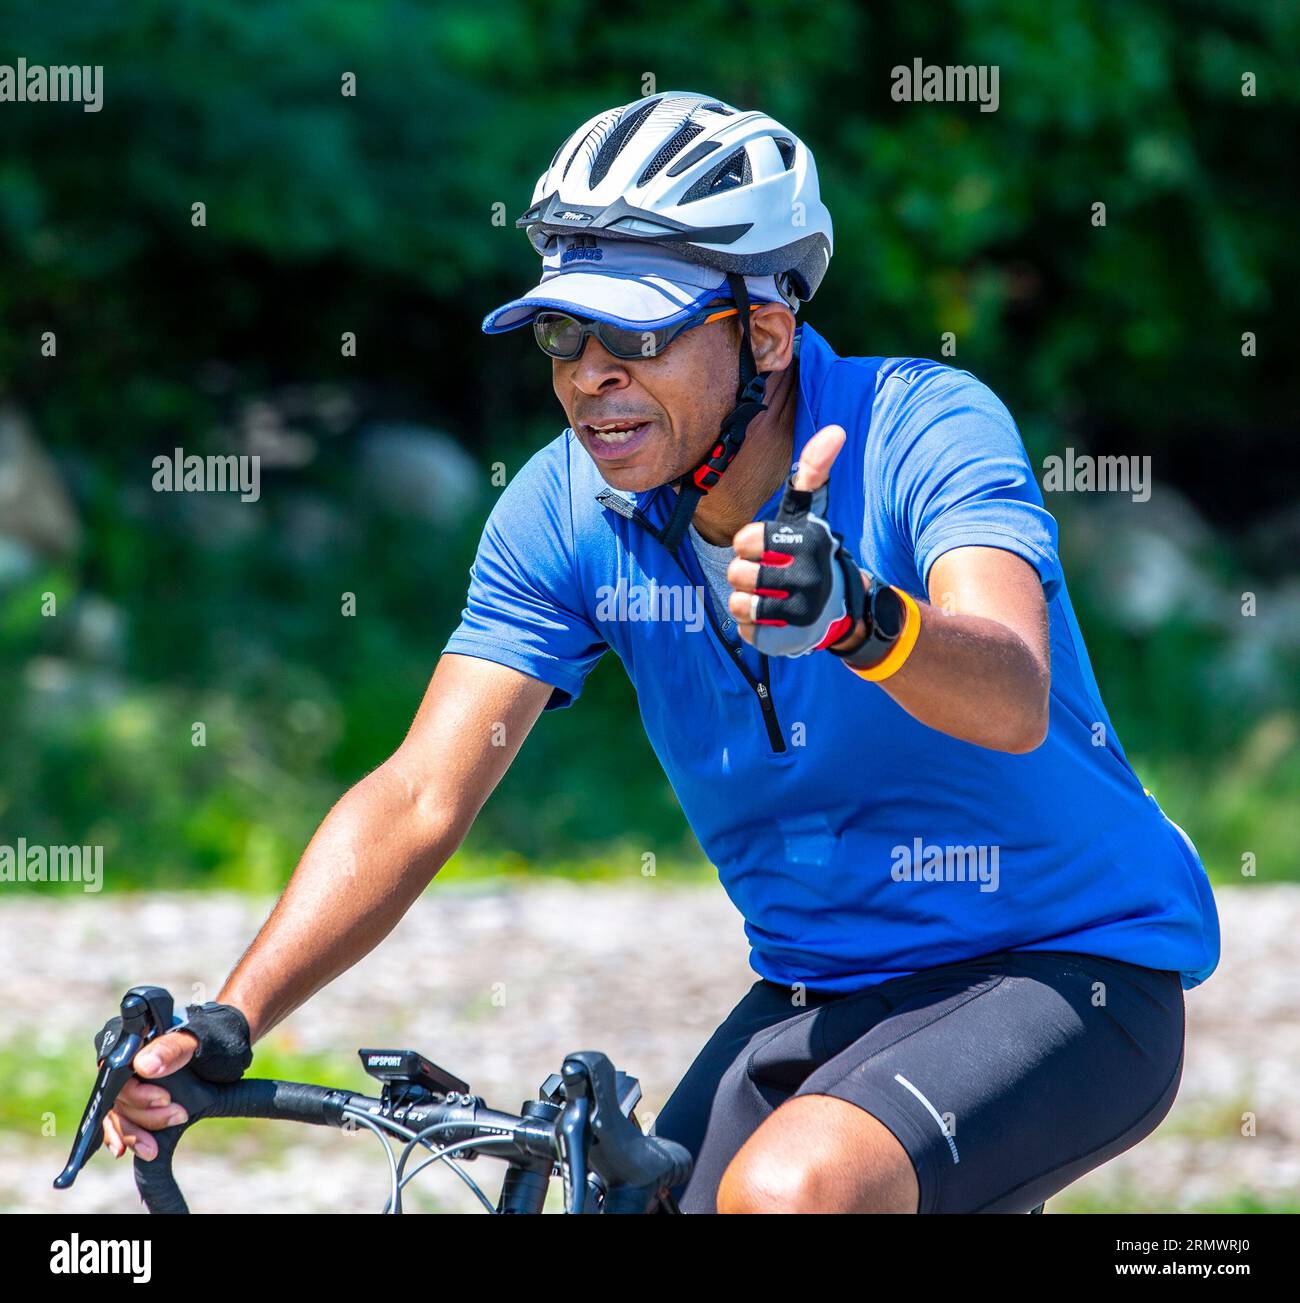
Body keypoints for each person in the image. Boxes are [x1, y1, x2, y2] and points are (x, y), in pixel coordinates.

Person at [101, 91, 1219, 1213]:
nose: (589, 374)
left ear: (766, 333)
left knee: (790, 1194)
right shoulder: (563, 508)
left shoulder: (924, 425)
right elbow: (419, 793)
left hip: (1071, 969)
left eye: (635, 333)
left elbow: (1012, 692)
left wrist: (858, 616)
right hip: (816, 990)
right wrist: (228, 1017)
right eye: (562, 335)